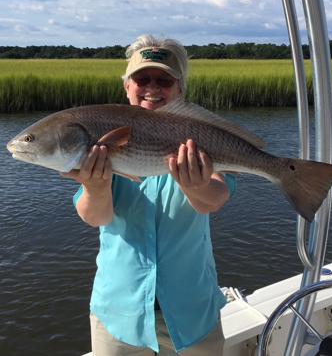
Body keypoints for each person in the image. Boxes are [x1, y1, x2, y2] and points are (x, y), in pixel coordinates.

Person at [61, 34, 235, 355]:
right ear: (127, 85)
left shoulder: (197, 138)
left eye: (164, 80)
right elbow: (95, 216)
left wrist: (195, 184)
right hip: (118, 315)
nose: (152, 88)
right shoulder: (104, 137)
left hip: (192, 313)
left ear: (179, 90)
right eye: (142, 78)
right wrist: (95, 185)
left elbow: (214, 198)